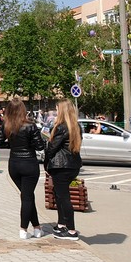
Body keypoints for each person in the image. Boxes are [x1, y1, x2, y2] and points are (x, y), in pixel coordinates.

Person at [0, 98, 46, 240]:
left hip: (14, 164)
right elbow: (40, 146)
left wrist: (12, 145)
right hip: (29, 163)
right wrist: (29, 144)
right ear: (23, 110)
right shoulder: (30, 125)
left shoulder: (6, 125)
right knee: (27, 197)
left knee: (27, 196)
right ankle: (23, 229)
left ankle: (37, 227)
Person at [45, 99, 83, 241]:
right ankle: (61, 225)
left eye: (57, 108)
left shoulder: (61, 127)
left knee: (64, 198)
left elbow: (52, 148)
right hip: (73, 165)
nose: (56, 111)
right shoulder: (76, 126)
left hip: (61, 166)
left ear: (61, 110)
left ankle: (71, 231)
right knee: (60, 195)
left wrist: (46, 163)